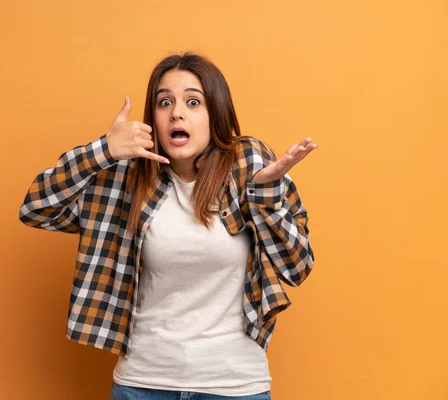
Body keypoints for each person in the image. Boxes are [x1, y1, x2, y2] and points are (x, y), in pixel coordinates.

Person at [18, 52, 318, 400]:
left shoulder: (250, 165)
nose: (177, 112)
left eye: (193, 101)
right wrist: (104, 150)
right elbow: (35, 209)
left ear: (214, 115)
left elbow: (298, 267)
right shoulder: (126, 178)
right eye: (165, 102)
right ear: (154, 119)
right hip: (143, 384)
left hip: (235, 386)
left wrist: (266, 196)